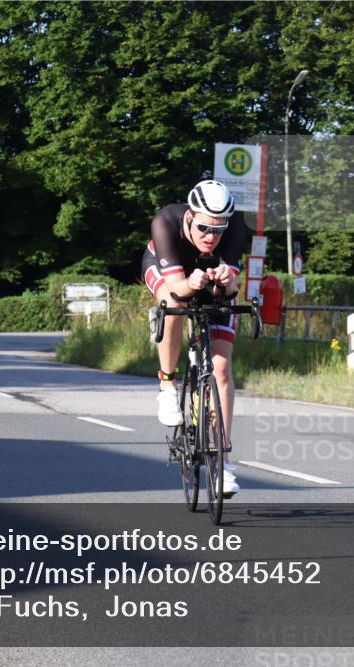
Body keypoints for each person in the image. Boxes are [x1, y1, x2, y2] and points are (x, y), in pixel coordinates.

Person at [142, 180, 246, 495]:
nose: (210, 237)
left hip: (210, 277)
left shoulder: (238, 226)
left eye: (218, 230)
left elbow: (229, 292)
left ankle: (222, 464)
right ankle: (168, 384)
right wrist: (192, 281)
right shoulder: (166, 222)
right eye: (203, 228)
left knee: (222, 369)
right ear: (190, 216)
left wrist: (225, 281)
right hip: (169, 273)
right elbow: (178, 290)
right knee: (173, 305)